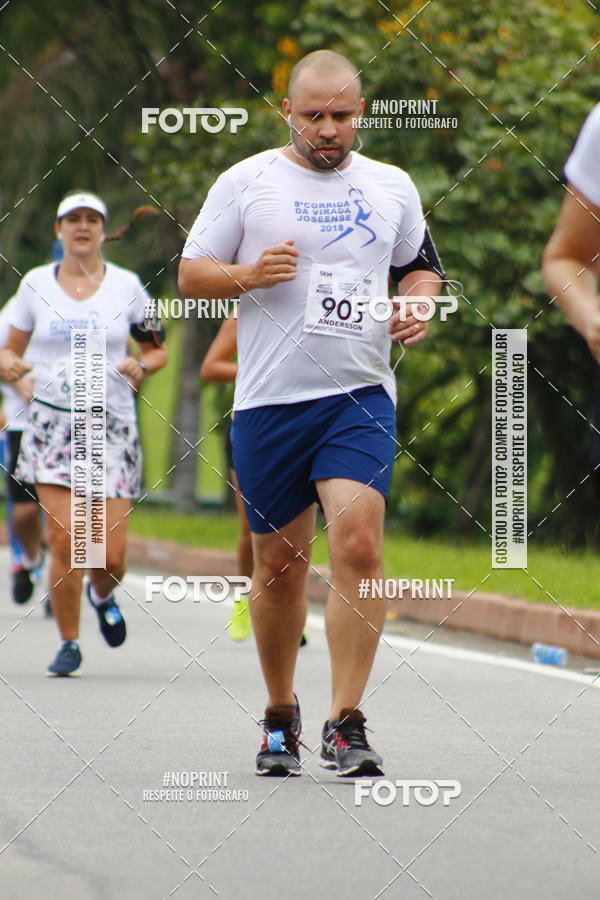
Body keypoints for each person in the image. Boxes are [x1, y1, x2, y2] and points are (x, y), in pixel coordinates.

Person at [179, 49, 442, 777]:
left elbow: (420, 265)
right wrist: (248, 274)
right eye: (314, 115)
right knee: (280, 564)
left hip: (358, 395)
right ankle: (279, 713)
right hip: (268, 403)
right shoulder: (248, 183)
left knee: (358, 546)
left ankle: (346, 722)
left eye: (343, 115)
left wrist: (418, 302)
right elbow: (191, 274)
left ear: (361, 114)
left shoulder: (391, 186)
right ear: (286, 112)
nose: (328, 129)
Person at [0, 191, 167, 676]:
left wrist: (142, 363)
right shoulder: (34, 285)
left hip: (111, 427)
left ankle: (101, 592)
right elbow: (8, 352)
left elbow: (158, 349)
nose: (82, 227)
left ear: (102, 230)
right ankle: (69, 642)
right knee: (68, 537)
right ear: (59, 230)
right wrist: (14, 369)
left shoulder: (129, 285)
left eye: (92, 219)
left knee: (110, 555)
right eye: (72, 219)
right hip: (50, 425)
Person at [200, 316, 309, 646]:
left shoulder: (316, 310)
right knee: (251, 528)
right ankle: (243, 598)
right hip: (254, 429)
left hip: (304, 429)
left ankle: (291, 610)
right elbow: (211, 367)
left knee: (298, 531)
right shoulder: (245, 314)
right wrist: (260, 367)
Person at [0, 297, 46, 605]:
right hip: (23, 423)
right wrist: (18, 388)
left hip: (81, 427)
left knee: (68, 514)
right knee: (26, 509)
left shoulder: (109, 295)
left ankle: (63, 578)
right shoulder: (23, 302)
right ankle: (28, 559)